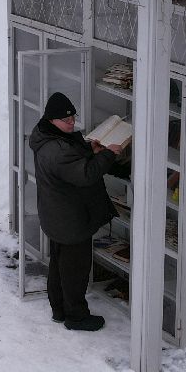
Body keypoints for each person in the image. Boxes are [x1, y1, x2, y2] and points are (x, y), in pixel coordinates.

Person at [28, 91, 126, 331]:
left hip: (56, 216)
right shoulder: (57, 150)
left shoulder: (46, 136)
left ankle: (59, 310)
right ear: (52, 119)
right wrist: (107, 154)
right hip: (71, 221)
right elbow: (85, 174)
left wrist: (88, 148)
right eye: (66, 119)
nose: (72, 122)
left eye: (73, 117)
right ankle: (76, 317)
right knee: (75, 270)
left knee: (59, 265)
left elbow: (71, 158)